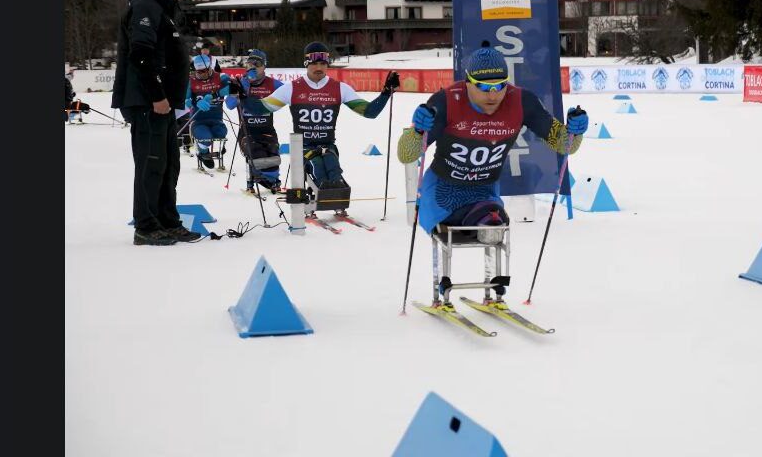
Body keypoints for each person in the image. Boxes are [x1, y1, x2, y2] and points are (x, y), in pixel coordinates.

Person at [396, 43, 588, 305]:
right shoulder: (446, 102)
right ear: (467, 83)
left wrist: (575, 131)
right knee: (455, 230)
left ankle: (493, 290)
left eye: (499, 85)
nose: (493, 94)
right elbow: (406, 155)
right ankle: (443, 289)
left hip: (483, 191)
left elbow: (564, 145)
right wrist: (416, 131)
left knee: (493, 225)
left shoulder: (522, 101)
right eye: (484, 87)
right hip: (444, 190)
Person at [241, 41, 399, 218]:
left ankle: (338, 202)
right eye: (314, 63)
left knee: (334, 169)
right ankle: (316, 203)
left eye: (323, 63)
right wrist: (241, 95)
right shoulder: (292, 88)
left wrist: (386, 92)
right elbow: (261, 108)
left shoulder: (339, 88)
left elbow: (369, 112)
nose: (319, 68)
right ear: (306, 64)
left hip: (328, 145)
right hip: (303, 147)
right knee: (317, 169)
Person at [111, 0, 201, 246]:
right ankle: (146, 226)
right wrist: (157, 96)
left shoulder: (162, 7)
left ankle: (168, 221)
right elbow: (141, 55)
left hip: (164, 103)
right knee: (151, 164)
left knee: (169, 164)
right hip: (149, 102)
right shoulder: (146, 7)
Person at [227, 48, 283, 193]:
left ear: (264, 66)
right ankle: (263, 177)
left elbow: (289, 96)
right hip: (247, 131)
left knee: (274, 155)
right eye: (249, 63)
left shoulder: (273, 84)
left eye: (257, 64)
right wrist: (244, 86)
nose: (252, 67)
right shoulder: (238, 81)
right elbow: (230, 105)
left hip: (267, 130)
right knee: (256, 152)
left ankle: (269, 178)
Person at [184, 54, 234, 170]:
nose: (202, 74)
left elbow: (233, 87)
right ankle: (203, 152)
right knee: (206, 138)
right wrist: (195, 102)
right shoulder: (191, 80)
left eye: (205, 71)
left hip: (216, 118)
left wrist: (216, 94)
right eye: (199, 72)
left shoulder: (221, 77)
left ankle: (204, 148)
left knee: (221, 133)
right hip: (198, 120)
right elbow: (187, 101)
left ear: (210, 67)